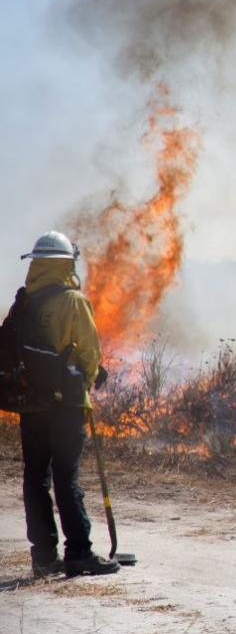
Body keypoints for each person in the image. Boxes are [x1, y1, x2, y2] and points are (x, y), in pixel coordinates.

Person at [4, 231, 118, 577]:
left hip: (31, 403)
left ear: (36, 263)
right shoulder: (73, 301)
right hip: (66, 405)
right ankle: (79, 553)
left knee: (36, 476)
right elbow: (89, 353)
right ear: (67, 263)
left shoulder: (24, 302)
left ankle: (43, 556)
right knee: (67, 475)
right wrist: (93, 373)